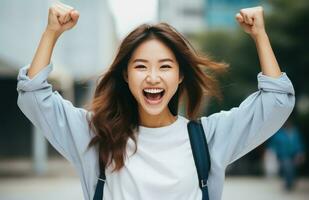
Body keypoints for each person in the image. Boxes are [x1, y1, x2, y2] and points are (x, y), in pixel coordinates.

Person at [16, 2, 295, 200]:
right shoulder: (96, 135)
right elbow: (34, 97)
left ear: (180, 75)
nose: (152, 77)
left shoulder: (208, 138)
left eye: (164, 66)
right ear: (125, 75)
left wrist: (260, 35)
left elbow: (275, 102)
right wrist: (51, 33)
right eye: (140, 67)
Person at [268, 119, 305, 191]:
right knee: (287, 168)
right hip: (283, 155)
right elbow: (273, 144)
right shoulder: (279, 133)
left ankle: (290, 183)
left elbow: (298, 143)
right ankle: (288, 184)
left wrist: (300, 152)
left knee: (292, 169)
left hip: (294, 154)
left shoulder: (295, 132)